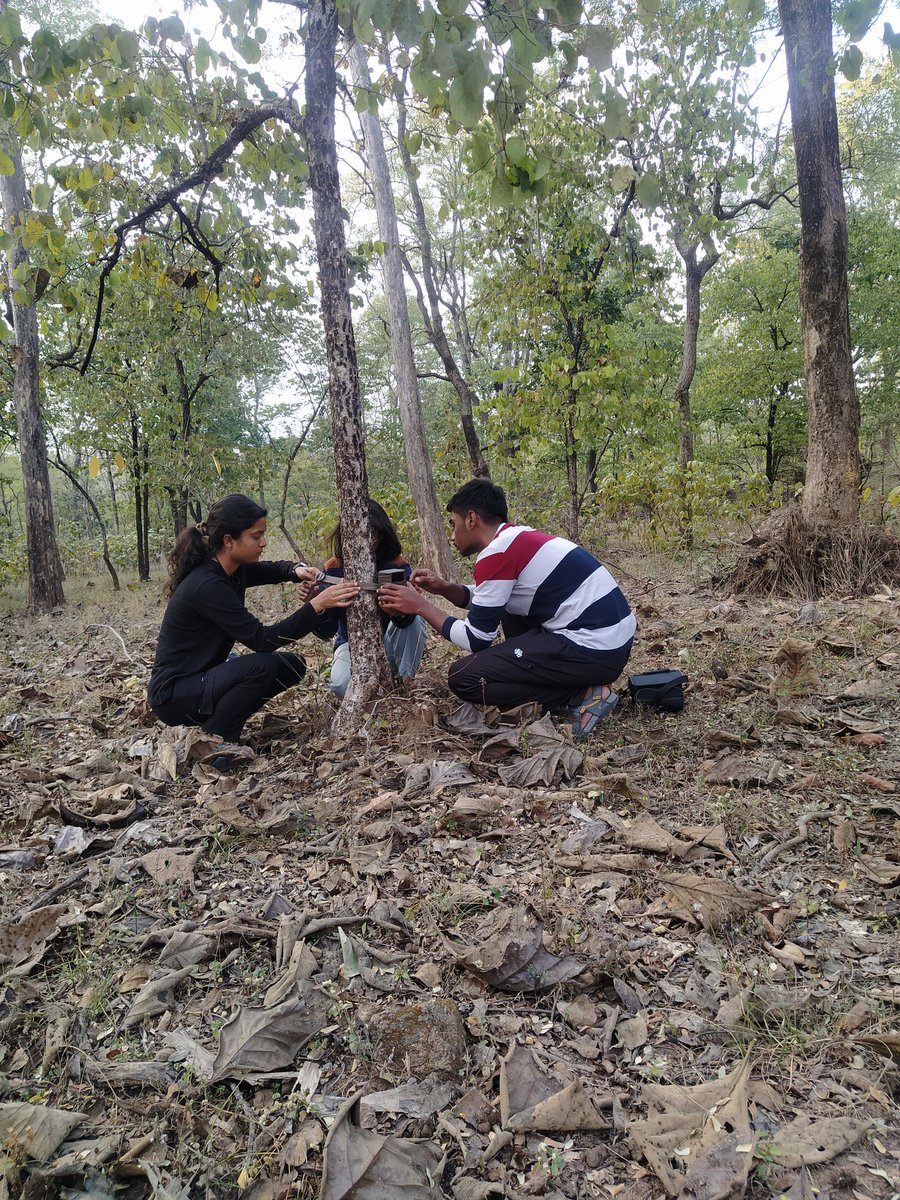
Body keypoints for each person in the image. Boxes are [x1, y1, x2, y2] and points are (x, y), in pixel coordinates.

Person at [378, 479, 635, 737]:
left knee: (464, 677)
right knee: (509, 613)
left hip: (595, 648)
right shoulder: (515, 539)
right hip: (610, 645)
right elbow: (491, 598)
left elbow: (476, 639)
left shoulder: (497, 553)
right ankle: (570, 684)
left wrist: (421, 606)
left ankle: (581, 695)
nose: (452, 535)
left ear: (471, 519)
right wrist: (445, 588)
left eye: (453, 524)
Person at [148, 493, 359, 763]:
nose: (264, 543)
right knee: (263, 665)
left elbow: (269, 570)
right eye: (256, 536)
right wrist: (317, 605)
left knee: (290, 666)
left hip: (197, 680)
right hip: (173, 695)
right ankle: (217, 743)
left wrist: (296, 570)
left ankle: (218, 728)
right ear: (229, 541)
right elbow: (263, 640)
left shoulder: (231, 569)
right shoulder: (208, 585)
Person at [314, 499, 427, 697]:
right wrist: (316, 603)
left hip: (390, 641)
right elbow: (326, 630)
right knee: (341, 685)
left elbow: (408, 621)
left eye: (370, 533)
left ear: (381, 535)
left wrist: (397, 612)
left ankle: (405, 681)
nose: (363, 540)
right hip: (351, 644)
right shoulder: (334, 567)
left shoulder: (397, 565)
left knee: (416, 619)